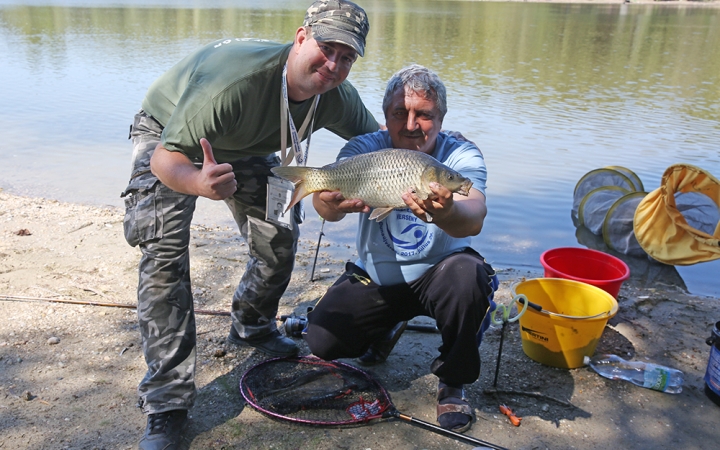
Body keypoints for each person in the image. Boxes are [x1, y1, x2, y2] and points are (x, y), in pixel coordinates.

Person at [120, 1, 378, 449]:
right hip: (171, 139)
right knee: (164, 255)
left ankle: (252, 324)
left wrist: (431, 163)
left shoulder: (335, 93)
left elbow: (377, 146)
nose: (334, 64)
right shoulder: (234, 84)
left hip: (248, 145)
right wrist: (199, 183)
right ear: (301, 38)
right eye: (326, 47)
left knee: (279, 237)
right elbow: (166, 159)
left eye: (347, 56)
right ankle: (167, 402)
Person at [304, 64, 495, 434]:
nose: (411, 125)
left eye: (424, 114)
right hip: (378, 278)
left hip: (441, 277)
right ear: (385, 116)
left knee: (468, 274)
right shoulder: (364, 148)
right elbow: (325, 208)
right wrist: (328, 202)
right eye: (399, 114)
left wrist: (449, 211)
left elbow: (474, 217)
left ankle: (453, 382)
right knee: (321, 341)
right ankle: (387, 326)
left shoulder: (459, 155)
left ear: (440, 118)